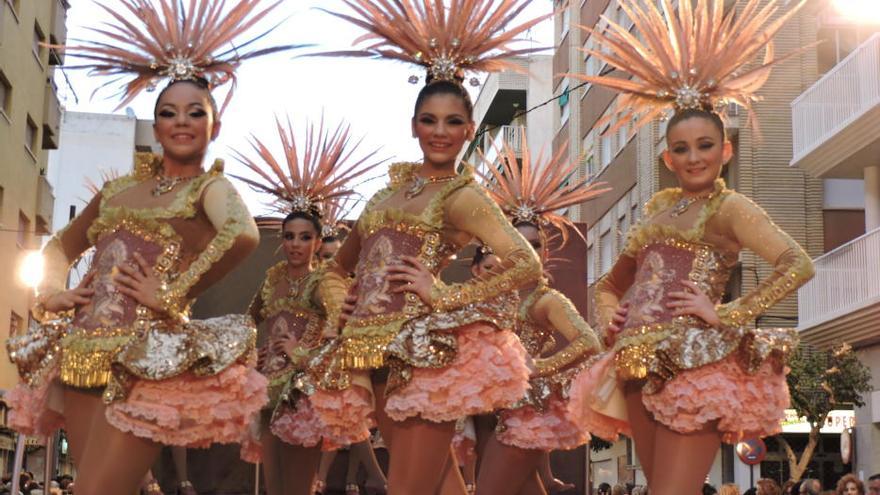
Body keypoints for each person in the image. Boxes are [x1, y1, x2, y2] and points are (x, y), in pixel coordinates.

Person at [3, 2, 298, 493]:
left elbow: (241, 233)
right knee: (90, 485)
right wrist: (52, 293)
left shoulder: (209, 189)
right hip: (80, 350)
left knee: (96, 489)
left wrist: (175, 294)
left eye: (195, 113)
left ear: (214, 126)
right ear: (156, 125)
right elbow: (59, 246)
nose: (181, 122)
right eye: (168, 113)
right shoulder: (118, 190)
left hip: (147, 356)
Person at [565, 1, 814, 494]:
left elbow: (797, 263)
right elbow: (611, 284)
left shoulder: (731, 208)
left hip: (695, 362)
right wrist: (612, 316)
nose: (693, 157)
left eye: (705, 145)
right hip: (635, 363)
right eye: (682, 148)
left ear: (726, 151)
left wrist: (730, 312)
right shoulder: (657, 211)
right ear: (668, 157)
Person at [305, 3, 549, 494]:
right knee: (439, 486)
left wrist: (443, 295)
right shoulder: (382, 195)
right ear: (413, 125)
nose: (440, 132)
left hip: (421, 356)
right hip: (366, 352)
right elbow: (332, 272)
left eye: (453, 122)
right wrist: (338, 301)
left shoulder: (463, 196)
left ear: (468, 130)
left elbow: (528, 264)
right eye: (430, 120)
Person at [234, 117, 383, 495]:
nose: (295, 244)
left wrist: (301, 353)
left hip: (303, 392)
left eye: (304, 237)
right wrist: (256, 354)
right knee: (273, 486)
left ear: (318, 241)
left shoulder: (323, 281)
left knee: (298, 487)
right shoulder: (272, 277)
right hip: (269, 388)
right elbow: (250, 319)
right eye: (289, 237)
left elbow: (344, 328)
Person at [473, 132, 610, 495]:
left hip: (524, 418)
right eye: (518, 245)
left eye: (535, 246)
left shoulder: (545, 300)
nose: (528, 254)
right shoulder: (493, 298)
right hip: (494, 414)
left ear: (545, 253)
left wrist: (540, 368)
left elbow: (589, 341)